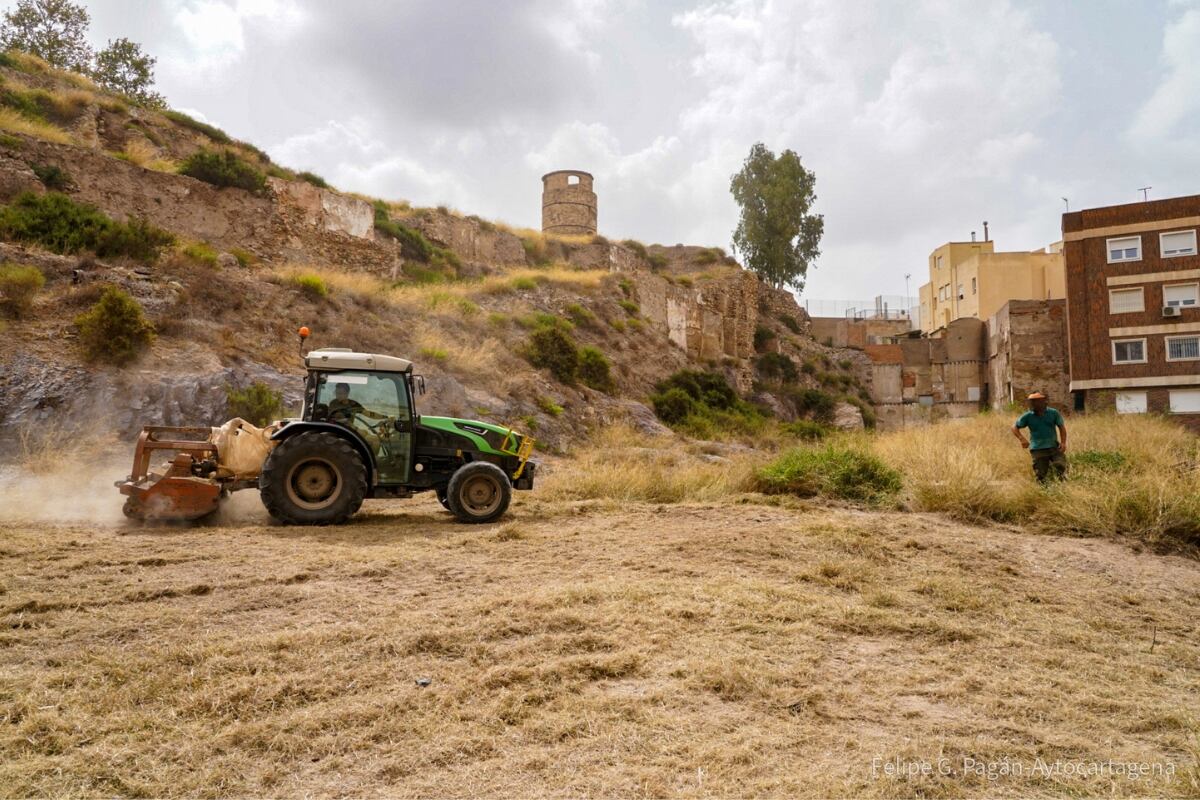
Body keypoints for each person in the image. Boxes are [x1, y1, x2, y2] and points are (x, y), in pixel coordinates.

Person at [1011, 391, 1068, 483]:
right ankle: (1043, 491)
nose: (1032, 404)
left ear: (1044, 402)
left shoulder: (1053, 413)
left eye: (1035, 401)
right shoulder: (1028, 416)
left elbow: (1061, 427)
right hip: (1038, 449)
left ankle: (1061, 487)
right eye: (1031, 401)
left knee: (1061, 466)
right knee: (1041, 474)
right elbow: (1014, 427)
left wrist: (1063, 443)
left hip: (1054, 446)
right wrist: (1022, 439)